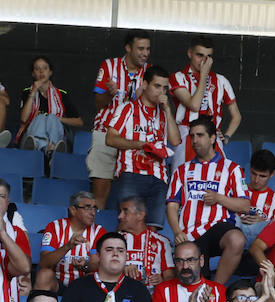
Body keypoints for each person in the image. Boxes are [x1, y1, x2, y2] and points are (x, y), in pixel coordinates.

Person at [166, 117, 250, 286]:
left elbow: (245, 206)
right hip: (190, 234)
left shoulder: (232, 169)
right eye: (192, 136)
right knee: (194, 286)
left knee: (237, 239)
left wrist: (219, 198)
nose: (195, 140)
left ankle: (216, 290)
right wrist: (176, 232)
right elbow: (172, 205)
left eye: (200, 135)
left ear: (212, 138)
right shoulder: (182, 170)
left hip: (219, 228)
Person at [105, 65, 180, 229]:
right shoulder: (128, 108)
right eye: (157, 86)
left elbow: (175, 141)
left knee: (152, 228)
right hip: (132, 174)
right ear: (145, 84)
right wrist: (139, 144)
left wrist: (167, 109)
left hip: (159, 178)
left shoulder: (163, 113)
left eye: (165, 88)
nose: (161, 92)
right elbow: (110, 139)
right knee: (126, 224)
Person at [88, 31, 151, 208]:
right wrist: (109, 93)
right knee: (100, 191)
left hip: (135, 138)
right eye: (140, 48)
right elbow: (98, 104)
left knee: (133, 199)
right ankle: (96, 232)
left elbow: (154, 110)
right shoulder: (109, 66)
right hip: (105, 131)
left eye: (147, 49)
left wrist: (142, 99)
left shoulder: (150, 72)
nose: (145, 53)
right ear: (128, 48)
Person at [169, 36, 241, 165]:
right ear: (190, 53)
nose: (203, 61)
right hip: (186, 135)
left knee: (217, 179)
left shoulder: (221, 80)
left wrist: (226, 137)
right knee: (183, 179)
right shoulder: (178, 77)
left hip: (212, 136)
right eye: (199, 55)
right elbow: (194, 106)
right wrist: (204, 75)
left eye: (208, 57)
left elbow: (236, 116)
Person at [36, 190, 102, 292]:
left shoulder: (99, 231)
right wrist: (67, 246)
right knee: (44, 274)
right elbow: (44, 263)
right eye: (87, 207)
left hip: (83, 286)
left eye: (94, 208)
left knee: (92, 276)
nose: (93, 213)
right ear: (73, 210)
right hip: (57, 282)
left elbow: (96, 265)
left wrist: (85, 266)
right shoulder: (55, 227)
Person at [15, 56, 82, 152]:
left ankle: (51, 146)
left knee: (51, 118)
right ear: (33, 74)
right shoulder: (27, 92)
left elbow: (79, 122)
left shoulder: (61, 94)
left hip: (57, 137)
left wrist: (58, 118)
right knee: (40, 118)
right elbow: (24, 119)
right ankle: (48, 149)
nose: (41, 72)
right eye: (37, 69)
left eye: (45, 68)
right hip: (31, 136)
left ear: (50, 72)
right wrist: (33, 92)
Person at [117, 196, 171, 289]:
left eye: (125, 211)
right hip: (122, 292)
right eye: (120, 212)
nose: (119, 216)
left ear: (140, 215)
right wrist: (120, 270)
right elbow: (103, 269)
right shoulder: (114, 240)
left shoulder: (162, 242)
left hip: (152, 294)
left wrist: (161, 279)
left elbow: (169, 274)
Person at [239, 148, 275, 247]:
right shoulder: (237, 190)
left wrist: (262, 223)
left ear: (272, 174)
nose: (256, 180)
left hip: (260, 249)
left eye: (262, 176)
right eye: (254, 174)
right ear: (250, 169)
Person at [0, 180, 32, 302]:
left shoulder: (16, 233)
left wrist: (3, 234)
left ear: (8, 202)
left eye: (1, 196)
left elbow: (23, 268)